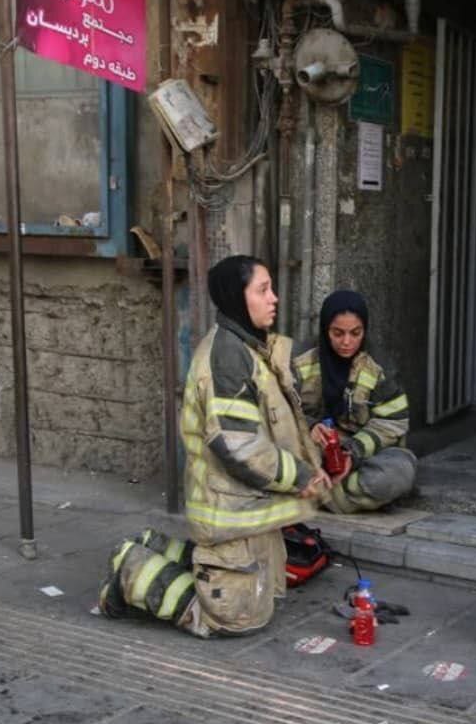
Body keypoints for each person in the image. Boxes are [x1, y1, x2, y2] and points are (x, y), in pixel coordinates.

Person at [99, 255, 333, 637]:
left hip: (248, 510)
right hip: (229, 509)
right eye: (262, 290)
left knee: (270, 595)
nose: (274, 298)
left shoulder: (248, 347)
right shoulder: (228, 357)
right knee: (234, 619)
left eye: (271, 288)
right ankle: (131, 568)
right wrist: (302, 476)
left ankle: (155, 545)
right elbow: (242, 448)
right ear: (236, 298)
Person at [292, 290, 417, 514]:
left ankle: (316, 494)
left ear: (364, 331)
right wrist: (309, 427)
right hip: (310, 450)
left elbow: (393, 423)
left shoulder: (379, 367)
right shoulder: (299, 359)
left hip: (359, 456)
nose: (347, 342)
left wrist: (353, 452)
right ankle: (333, 495)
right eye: (337, 333)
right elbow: (277, 409)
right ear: (325, 330)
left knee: (399, 473)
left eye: (355, 333)